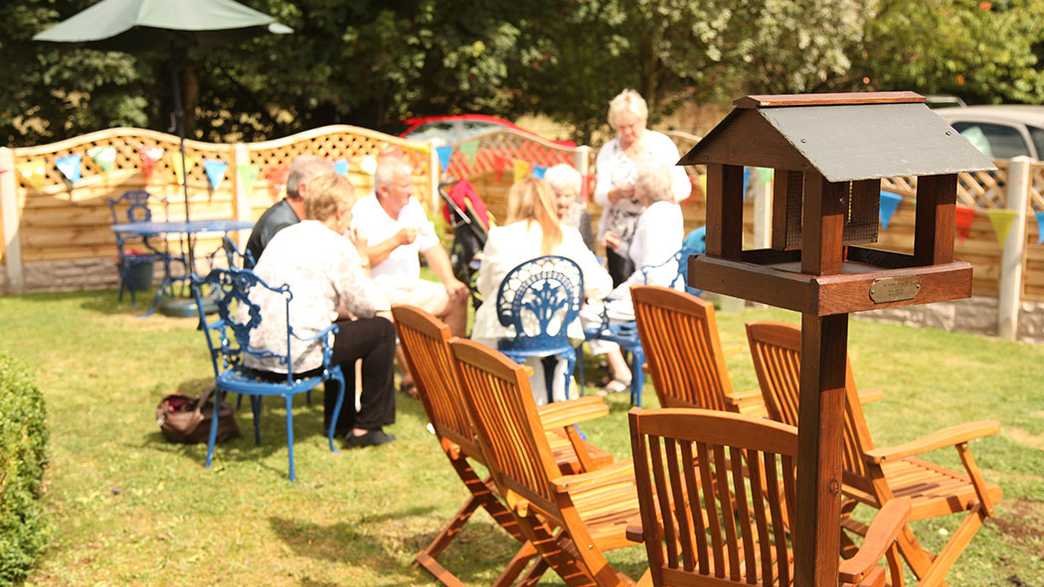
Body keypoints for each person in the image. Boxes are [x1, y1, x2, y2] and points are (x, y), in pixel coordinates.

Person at [243, 174, 397, 449]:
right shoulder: (337, 245)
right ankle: (367, 427)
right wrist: (362, 259)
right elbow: (366, 305)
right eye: (350, 213)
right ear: (339, 213)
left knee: (345, 327)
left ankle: (340, 421)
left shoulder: (284, 236)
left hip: (254, 352)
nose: (350, 220)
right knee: (381, 330)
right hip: (293, 357)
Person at [472, 178, 612, 404]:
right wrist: (581, 292)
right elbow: (602, 284)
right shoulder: (568, 235)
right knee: (542, 359)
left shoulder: (500, 236)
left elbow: (485, 288)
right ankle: (546, 407)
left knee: (486, 332)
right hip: (556, 330)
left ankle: (499, 408)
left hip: (507, 330)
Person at [350, 154, 469, 396]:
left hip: (411, 288)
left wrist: (449, 280)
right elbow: (360, 259)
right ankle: (418, 380)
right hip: (379, 291)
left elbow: (432, 246)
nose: (411, 191)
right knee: (394, 314)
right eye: (404, 186)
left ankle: (448, 374)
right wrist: (395, 241)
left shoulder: (412, 208)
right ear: (384, 190)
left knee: (459, 295)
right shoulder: (363, 212)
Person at [594, 89, 690, 287]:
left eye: (631, 125)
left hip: (656, 230)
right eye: (621, 127)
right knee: (622, 290)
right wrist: (618, 193)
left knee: (656, 285)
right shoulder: (608, 151)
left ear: (643, 120)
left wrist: (657, 194)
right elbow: (599, 196)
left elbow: (683, 186)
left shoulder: (662, 145)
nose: (627, 132)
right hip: (618, 236)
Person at [245, 155, 335, 263]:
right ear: (303, 190)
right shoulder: (282, 226)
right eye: (324, 187)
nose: (331, 195)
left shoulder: (286, 213)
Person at [544, 163, 594, 250]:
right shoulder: (542, 211)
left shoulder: (582, 215)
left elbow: (589, 249)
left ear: (575, 194)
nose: (562, 202)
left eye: (567, 196)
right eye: (557, 195)